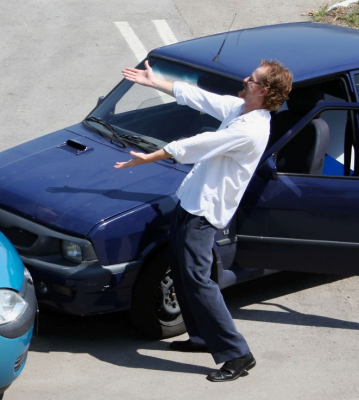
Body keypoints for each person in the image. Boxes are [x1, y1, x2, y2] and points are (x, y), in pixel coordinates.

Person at [115, 59, 292, 382]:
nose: (244, 78)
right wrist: (154, 82)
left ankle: (238, 354)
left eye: (251, 78)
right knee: (184, 273)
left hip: (204, 213)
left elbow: (199, 144)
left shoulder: (250, 129)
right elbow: (198, 96)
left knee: (198, 281)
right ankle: (200, 338)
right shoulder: (240, 109)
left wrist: (150, 157)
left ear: (263, 90)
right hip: (191, 202)